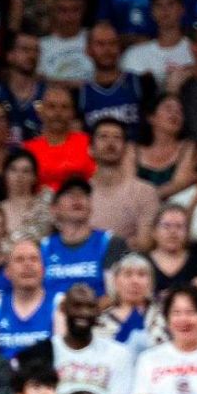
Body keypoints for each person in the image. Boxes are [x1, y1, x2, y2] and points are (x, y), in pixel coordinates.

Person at [20, 285, 134, 394]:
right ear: (63, 308)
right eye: (77, 306)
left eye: (90, 307)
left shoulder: (118, 353)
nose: (84, 313)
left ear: (98, 311)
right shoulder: (41, 352)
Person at [41, 178, 127, 298]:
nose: (77, 198)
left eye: (83, 194)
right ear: (54, 208)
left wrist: (87, 309)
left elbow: (115, 295)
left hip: (98, 309)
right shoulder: (42, 248)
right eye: (69, 194)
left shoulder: (111, 243)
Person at [0, 239, 56, 361]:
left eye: (34, 259)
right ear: (7, 272)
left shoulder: (59, 304)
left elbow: (62, 357)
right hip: (4, 372)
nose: (28, 265)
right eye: (19, 259)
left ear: (43, 269)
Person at [87, 119, 161, 249]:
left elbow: (145, 243)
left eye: (117, 137)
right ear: (90, 149)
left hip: (129, 260)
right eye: (103, 137)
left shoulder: (145, 192)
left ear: (126, 149)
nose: (110, 143)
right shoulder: (80, 193)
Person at [22, 86, 95, 194]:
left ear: (73, 113)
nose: (58, 113)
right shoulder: (28, 149)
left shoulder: (88, 142)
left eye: (64, 107)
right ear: (40, 112)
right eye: (51, 107)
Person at [120, 0, 195, 85]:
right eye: (158, 5)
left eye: (170, 4)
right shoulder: (134, 54)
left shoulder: (196, 51)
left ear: (181, 9)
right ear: (152, 12)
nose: (165, 10)